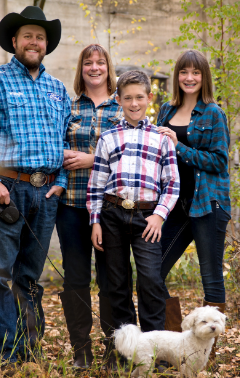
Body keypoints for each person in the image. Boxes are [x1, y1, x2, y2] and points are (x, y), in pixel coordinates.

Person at [0, 6, 70, 366]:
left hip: (46, 193)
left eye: (40, 37)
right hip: (6, 190)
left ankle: (29, 352)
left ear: (46, 44)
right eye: (27, 37)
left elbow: (67, 142)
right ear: (14, 42)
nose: (34, 42)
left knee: (29, 277)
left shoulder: (57, 90)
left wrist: (62, 183)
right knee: (0, 276)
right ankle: (5, 358)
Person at [87, 70, 180, 365]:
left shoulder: (161, 138)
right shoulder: (109, 136)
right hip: (113, 215)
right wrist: (96, 221)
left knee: (151, 281)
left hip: (147, 218)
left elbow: (172, 184)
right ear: (118, 100)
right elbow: (97, 183)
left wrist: (159, 217)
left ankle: (157, 352)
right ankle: (124, 354)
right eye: (127, 98)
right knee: (117, 284)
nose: (134, 103)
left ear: (150, 98)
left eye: (140, 97)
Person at [56, 44, 134, 369]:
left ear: (108, 67)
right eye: (88, 62)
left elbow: (132, 156)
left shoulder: (122, 108)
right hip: (73, 205)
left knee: (111, 279)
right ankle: (81, 352)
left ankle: (113, 352)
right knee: (75, 279)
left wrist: (90, 159)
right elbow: (55, 146)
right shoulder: (68, 108)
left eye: (100, 62)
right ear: (81, 69)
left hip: (110, 209)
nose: (94, 67)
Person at [156, 49, 231, 363]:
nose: (189, 78)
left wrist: (180, 146)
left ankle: (207, 355)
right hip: (175, 204)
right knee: (151, 271)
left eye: (195, 73)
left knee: (211, 276)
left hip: (208, 203)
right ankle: (178, 345)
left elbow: (218, 160)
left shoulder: (213, 113)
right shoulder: (164, 110)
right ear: (177, 76)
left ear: (204, 77)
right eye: (184, 72)